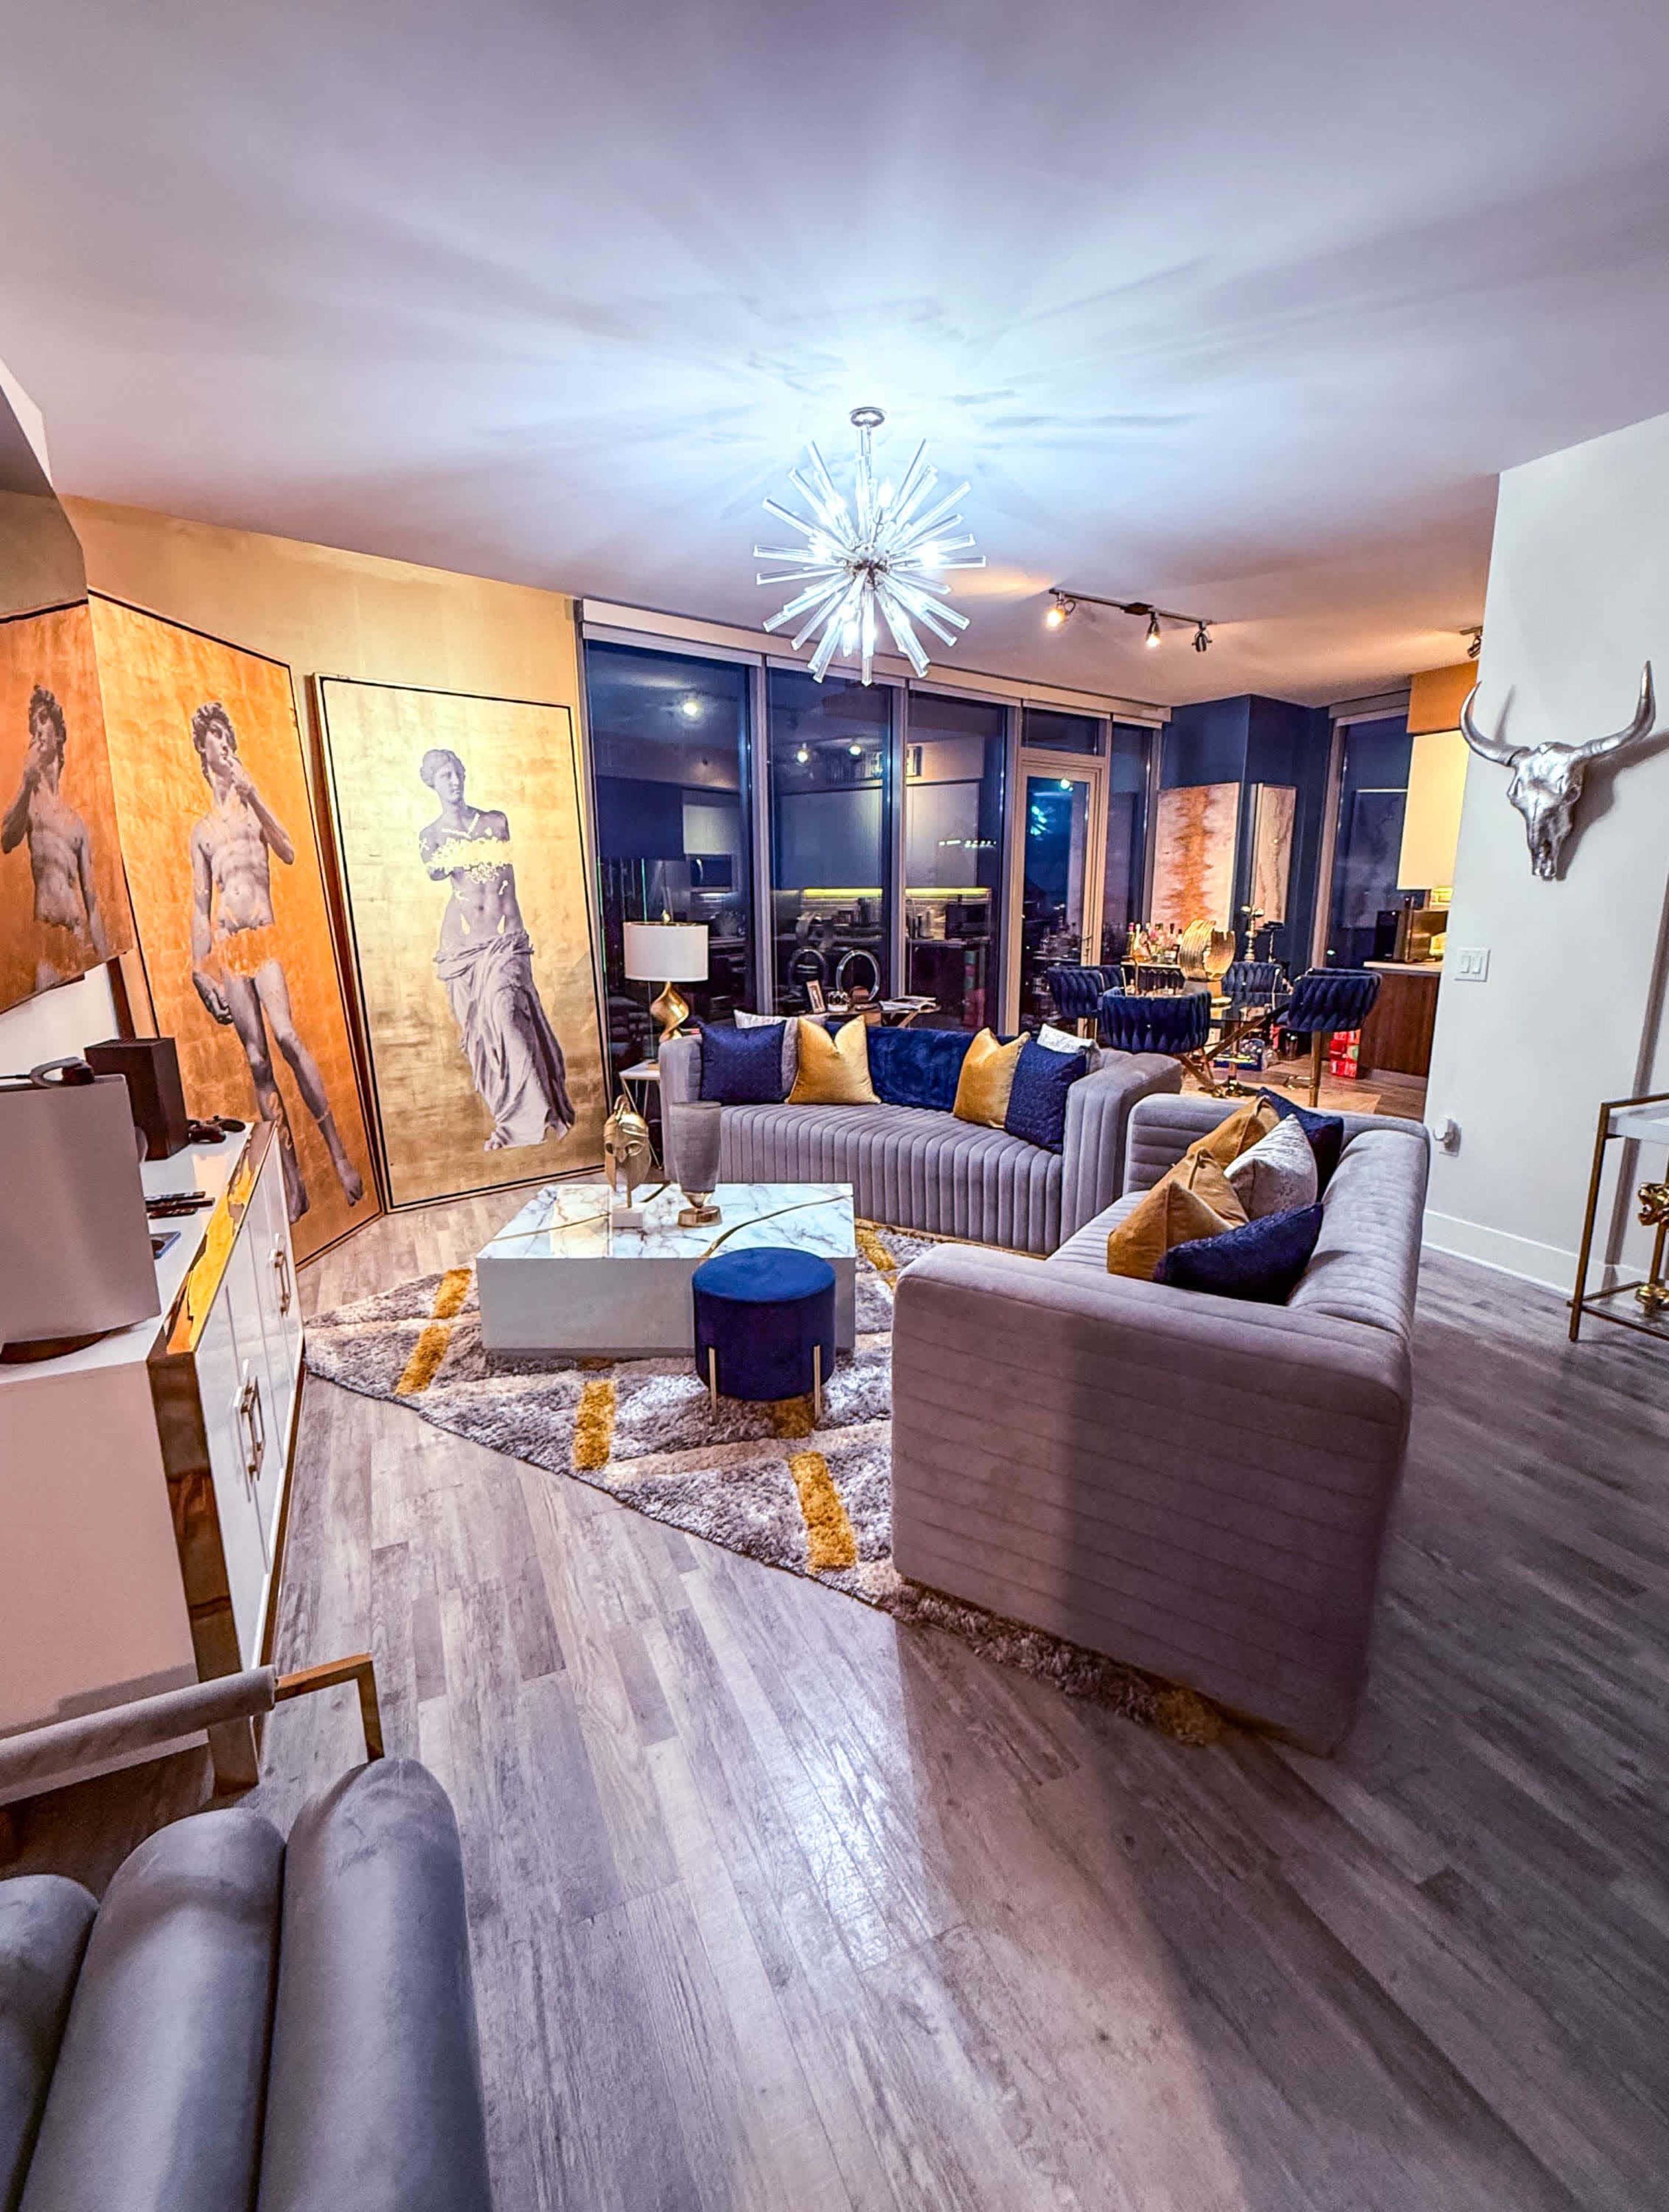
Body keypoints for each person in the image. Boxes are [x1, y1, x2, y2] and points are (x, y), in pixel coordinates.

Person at [187, 699, 364, 1222]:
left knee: (286, 1037)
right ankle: (292, 1180)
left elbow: (287, 850)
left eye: (226, 735)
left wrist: (256, 794)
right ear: (203, 749)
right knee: (257, 1060)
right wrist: (200, 969)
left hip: (263, 939)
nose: (222, 744)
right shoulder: (202, 830)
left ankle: (337, 1153)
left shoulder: (249, 809)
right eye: (214, 737)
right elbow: (200, 905)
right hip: (230, 946)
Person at [417, 746, 575, 1152]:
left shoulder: (495, 821)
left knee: (506, 1016)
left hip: (505, 939)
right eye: (444, 776)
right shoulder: (431, 837)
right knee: (483, 1035)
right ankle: (514, 1119)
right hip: (464, 943)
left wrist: (518, 937)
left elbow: (509, 881)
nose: (454, 781)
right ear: (432, 784)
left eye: (457, 773)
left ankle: (533, 1117)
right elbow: (436, 871)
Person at [2, 683, 110, 991]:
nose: (38, 730)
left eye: (44, 719)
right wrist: (26, 781)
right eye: (34, 724)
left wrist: (102, 961)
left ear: (60, 735)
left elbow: (92, 906)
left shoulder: (76, 823)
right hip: (48, 937)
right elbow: (7, 840)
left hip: (77, 936)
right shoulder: (31, 801)